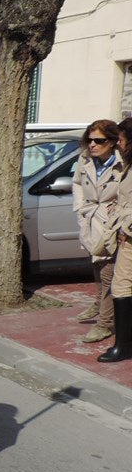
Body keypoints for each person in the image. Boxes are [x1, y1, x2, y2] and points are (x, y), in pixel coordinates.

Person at [72, 120, 123, 343]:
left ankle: (104, 323)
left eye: (99, 140)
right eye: (90, 139)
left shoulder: (123, 164)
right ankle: (99, 303)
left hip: (111, 224)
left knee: (108, 274)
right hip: (90, 220)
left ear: (111, 142)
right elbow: (76, 183)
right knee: (97, 267)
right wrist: (80, 208)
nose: (92, 144)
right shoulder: (85, 159)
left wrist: (117, 211)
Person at [100, 117, 132, 362]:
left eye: (121, 140)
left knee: (121, 286)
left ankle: (123, 346)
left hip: (130, 237)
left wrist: (125, 228)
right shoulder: (127, 165)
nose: (119, 145)